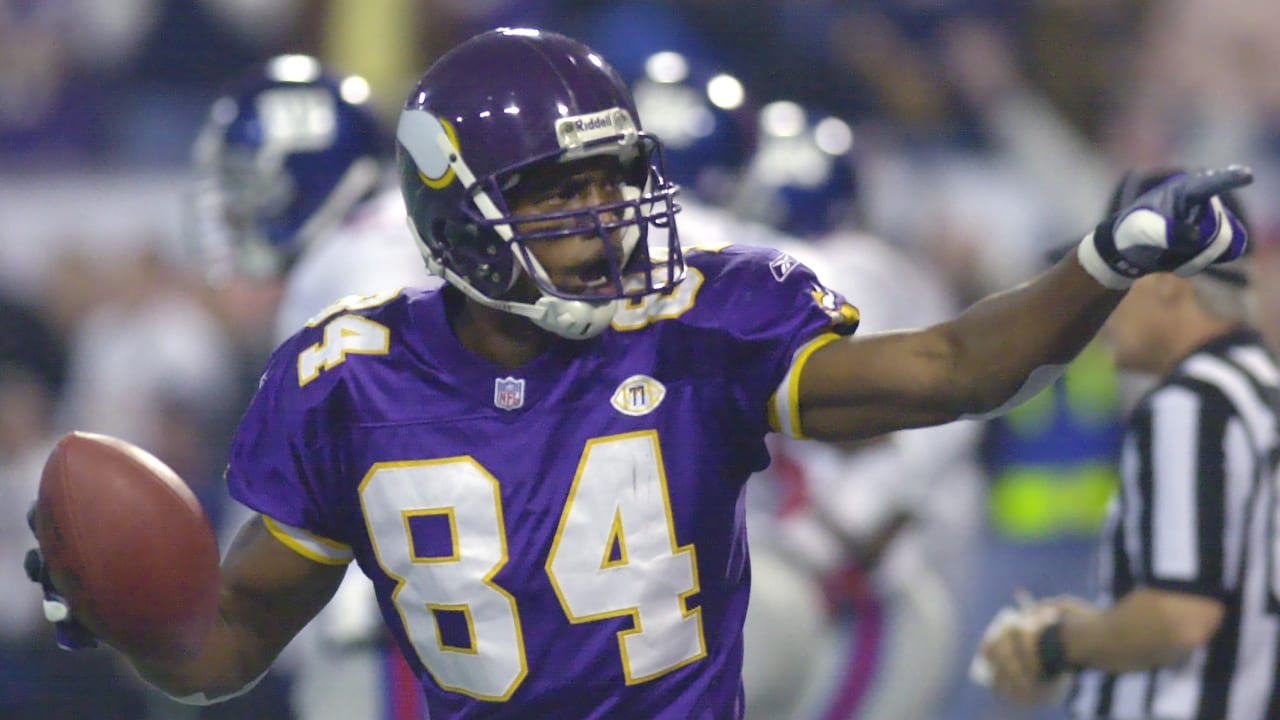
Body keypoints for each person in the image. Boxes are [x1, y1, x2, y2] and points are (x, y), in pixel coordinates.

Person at [25, 27, 1251, 720]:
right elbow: (227, 646)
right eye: (558, 194)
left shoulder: (701, 321)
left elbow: (947, 368)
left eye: (612, 182)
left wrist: (1100, 258)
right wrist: (133, 615)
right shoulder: (346, 377)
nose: (603, 220)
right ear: (453, 212)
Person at [976, 168, 1278, 719]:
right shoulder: (1262, 390)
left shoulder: (1194, 404)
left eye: (1119, 274)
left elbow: (1178, 617)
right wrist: (1104, 623)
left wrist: (1055, 643)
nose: (1101, 303)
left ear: (1167, 282)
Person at [189, 54, 435, 720]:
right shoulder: (386, 238)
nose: (237, 208)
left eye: (250, 183)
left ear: (301, 172)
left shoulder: (353, 262)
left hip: (391, 626)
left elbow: (394, 440)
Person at [733, 100, 982, 720]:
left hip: (866, 576)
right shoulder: (887, 270)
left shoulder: (827, 270)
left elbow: (900, 449)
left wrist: (824, 542)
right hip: (878, 556)